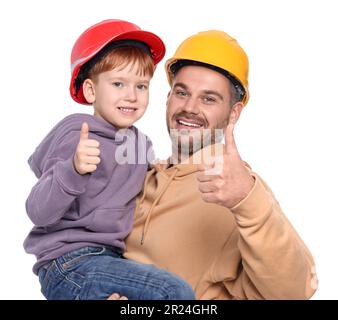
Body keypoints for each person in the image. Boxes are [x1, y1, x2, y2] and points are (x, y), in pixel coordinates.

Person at [110, 30, 318, 300]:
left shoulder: (236, 191)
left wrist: (246, 199)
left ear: (234, 113)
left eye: (209, 99)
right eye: (181, 92)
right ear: (168, 97)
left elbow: (295, 292)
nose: (190, 108)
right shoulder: (140, 175)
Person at [23, 19, 195, 300]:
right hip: (68, 262)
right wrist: (73, 170)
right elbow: (37, 211)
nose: (131, 95)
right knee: (173, 292)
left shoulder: (140, 144)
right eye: (118, 83)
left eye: (141, 86)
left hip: (110, 259)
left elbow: (150, 191)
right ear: (91, 91)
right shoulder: (78, 135)